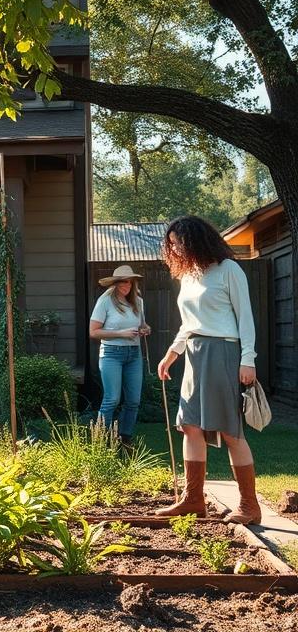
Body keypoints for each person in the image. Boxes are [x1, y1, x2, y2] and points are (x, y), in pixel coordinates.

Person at [155, 216, 260, 523]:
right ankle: (193, 499)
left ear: (195, 240)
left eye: (178, 243)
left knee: (229, 431)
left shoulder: (229, 270)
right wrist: (172, 353)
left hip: (224, 352)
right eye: (170, 244)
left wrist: (248, 359)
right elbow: (189, 324)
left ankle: (249, 506)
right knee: (189, 425)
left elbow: (246, 319)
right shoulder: (187, 276)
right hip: (194, 354)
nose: (174, 249)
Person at [89, 264, 151, 448]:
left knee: (133, 400)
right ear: (115, 283)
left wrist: (145, 329)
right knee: (112, 399)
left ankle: (125, 438)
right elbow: (94, 332)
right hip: (111, 354)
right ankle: (101, 441)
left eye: (129, 283)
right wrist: (122, 333)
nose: (126, 286)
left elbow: (142, 325)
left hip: (134, 355)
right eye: (122, 283)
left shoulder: (138, 301)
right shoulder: (105, 301)